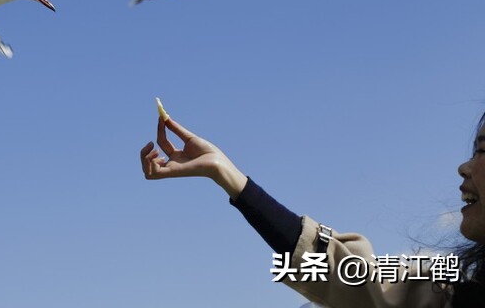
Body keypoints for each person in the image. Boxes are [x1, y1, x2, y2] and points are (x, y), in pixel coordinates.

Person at [140, 110, 485, 307]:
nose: (464, 166)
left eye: (482, 150)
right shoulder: (453, 295)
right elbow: (350, 275)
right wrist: (228, 175)